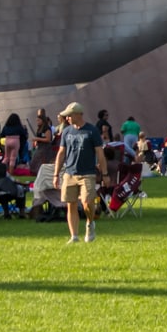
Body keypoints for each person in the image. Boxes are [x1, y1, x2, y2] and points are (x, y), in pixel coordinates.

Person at [53, 102, 106, 244]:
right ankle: (74, 236)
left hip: (87, 173)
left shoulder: (92, 131)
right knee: (71, 205)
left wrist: (105, 173)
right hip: (69, 173)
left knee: (87, 203)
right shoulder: (66, 131)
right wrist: (56, 174)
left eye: (69, 116)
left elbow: (100, 153)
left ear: (78, 115)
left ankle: (90, 223)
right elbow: (61, 153)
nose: (67, 118)